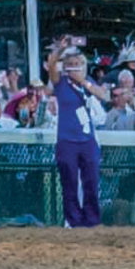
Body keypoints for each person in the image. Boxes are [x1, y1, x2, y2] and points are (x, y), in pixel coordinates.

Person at [53, 49, 102, 228]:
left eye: (77, 64)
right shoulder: (61, 84)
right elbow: (52, 68)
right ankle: (74, 220)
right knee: (70, 181)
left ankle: (92, 219)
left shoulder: (87, 85)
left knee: (92, 179)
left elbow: (104, 96)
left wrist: (84, 83)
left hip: (87, 138)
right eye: (70, 65)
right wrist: (58, 51)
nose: (74, 68)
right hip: (67, 139)